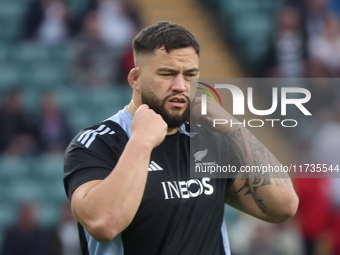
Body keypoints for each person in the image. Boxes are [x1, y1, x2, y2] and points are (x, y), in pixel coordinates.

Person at [63, 21, 299, 255]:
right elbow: (104, 224)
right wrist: (142, 140)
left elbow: (283, 206)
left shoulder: (208, 140)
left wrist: (231, 127)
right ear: (135, 78)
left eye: (190, 75)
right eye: (167, 73)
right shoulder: (97, 143)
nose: (180, 86)